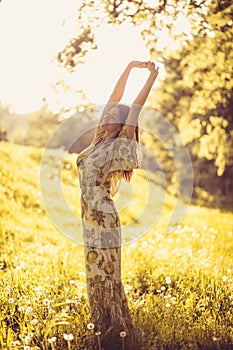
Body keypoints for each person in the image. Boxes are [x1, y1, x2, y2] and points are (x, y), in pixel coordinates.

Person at [76, 60, 159, 350]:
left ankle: (117, 326)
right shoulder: (98, 139)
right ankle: (101, 322)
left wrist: (150, 76)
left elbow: (134, 107)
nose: (110, 111)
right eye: (107, 111)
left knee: (108, 273)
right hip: (88, 218)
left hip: (105, 218)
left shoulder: (120, 142)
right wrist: (128, 67)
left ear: (122, 123)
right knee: (93, 272)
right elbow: (114, 97)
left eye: (115, 113)